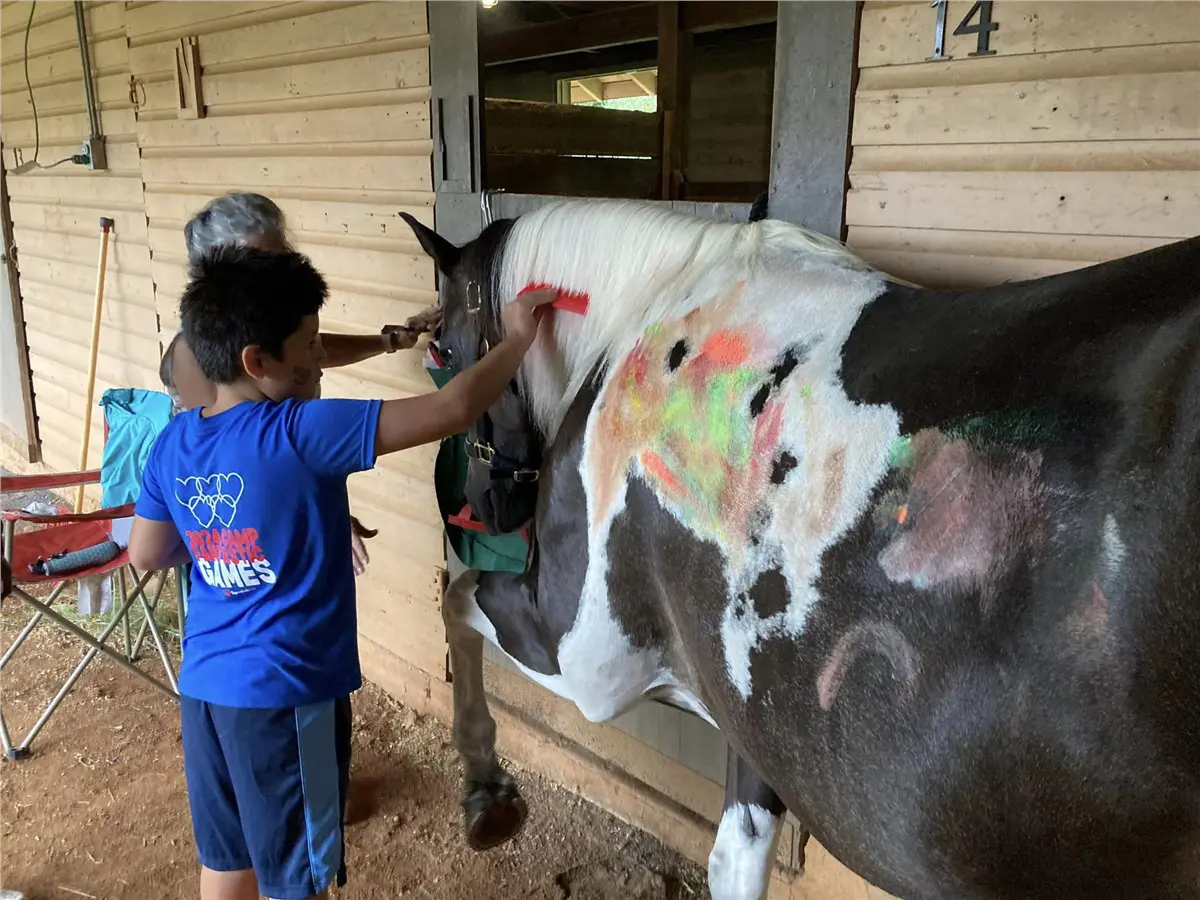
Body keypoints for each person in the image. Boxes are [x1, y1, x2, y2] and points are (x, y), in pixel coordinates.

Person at [128, 246, 555, 900]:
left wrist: (230, 543)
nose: (319, 355)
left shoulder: (175, 442)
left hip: (207, 691)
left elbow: (148, 553)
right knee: (299, 881)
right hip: (287, 694)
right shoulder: (300, 431)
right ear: (256, 361)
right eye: (309, 344)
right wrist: (520, 336)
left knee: (229, 861)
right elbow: (452, 409)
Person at [169, 191, 441, 576]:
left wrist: (386, 341)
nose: (284, 272)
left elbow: (306, 351)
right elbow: (236, 468)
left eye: (283, 255)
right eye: (265, 263)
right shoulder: (199, 361)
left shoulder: (262, 331)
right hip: (243, 538)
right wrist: (311, 506)